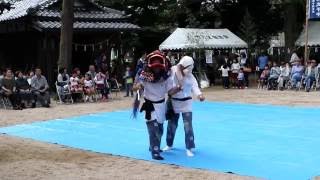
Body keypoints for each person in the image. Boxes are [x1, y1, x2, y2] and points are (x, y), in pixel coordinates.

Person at [133, 50, 179, 160]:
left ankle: (152, 146)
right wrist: (137, 87)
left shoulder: (166, 77)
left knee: (160, 129)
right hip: (149, 105)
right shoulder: (144, 76)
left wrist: (178, 89)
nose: (157, 69)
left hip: (161, 105)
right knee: (153, 129)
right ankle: (155, 151)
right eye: (155, 67)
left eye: (159, 67)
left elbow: (170, 91)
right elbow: (135, 87)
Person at [163, 56, 205, 157]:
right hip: (174, 102)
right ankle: (169, 144)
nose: (181, 68)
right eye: (181, 66)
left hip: (187, 103)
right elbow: (167, 84)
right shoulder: (172, 71)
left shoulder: (190, 76)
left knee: (188, 126)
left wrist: (199, 95)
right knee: (172, 125)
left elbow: (195, 87)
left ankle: (189, 147)